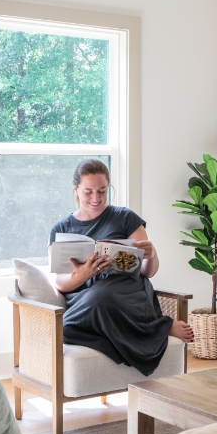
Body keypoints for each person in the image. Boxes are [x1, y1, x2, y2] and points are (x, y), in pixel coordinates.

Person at [49, 159, 194, 376]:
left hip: (128, 292)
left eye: (102, 191)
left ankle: (160, 327)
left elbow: (148, 271)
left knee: (102, 297)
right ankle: (158, 329)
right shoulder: (61, 228)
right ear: (76, 189)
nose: (96, 198)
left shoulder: (126, 217)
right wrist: (82, 275)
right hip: (87, 297)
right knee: (67, 326)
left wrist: (152, 253)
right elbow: (59, 281)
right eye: (88, 192)